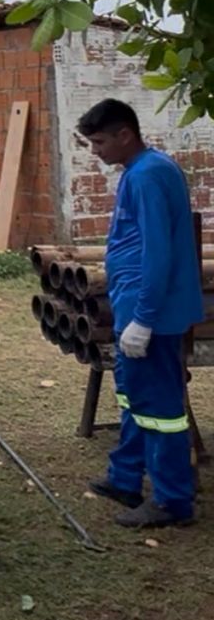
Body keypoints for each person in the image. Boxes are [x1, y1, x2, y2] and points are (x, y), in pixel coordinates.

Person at [78, 99, 203, 529]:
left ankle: (172, 501)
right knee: (134, 396)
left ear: (124, 135)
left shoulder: (149, 175)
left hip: (152, 311)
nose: (94, 151)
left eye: (98, 142)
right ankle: (126, 477)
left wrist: (145, 318)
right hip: (137, 304)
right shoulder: (141, 170)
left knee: (160, 408)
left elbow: (158, 251)